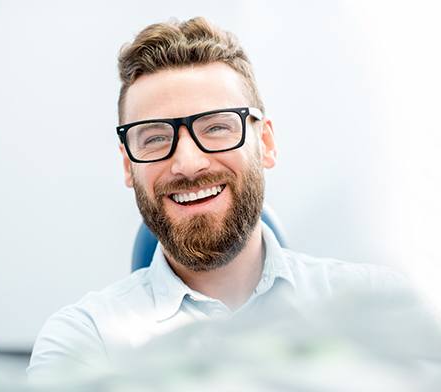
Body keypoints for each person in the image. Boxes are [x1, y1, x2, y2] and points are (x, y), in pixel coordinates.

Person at [27, 17, 405, 380]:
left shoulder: (379, 306)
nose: (188, 164)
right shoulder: (85, 341)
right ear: (128, 166)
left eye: (217, 127)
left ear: (266, 144)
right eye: (156, 137)